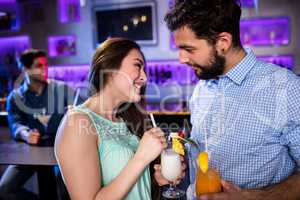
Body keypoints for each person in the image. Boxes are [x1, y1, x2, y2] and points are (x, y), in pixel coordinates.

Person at [165, 0, 300, 199]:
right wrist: (179, 163)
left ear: (223, 43)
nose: (181, 59)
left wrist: (251, 197)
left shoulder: (285, 88)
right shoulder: (202, 87)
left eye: (189, 49)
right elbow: (203, 153)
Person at [54, 38, 185, 200]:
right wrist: (142, 157)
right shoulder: (78, 123)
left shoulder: (124, 120)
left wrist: (157, 180)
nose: (144, 77)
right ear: (110, 67)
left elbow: (132, 186)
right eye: (138, 65)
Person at [0, 49, 81, 200]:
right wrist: (25, 134)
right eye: (39, 65)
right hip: (31, 152)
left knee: (65, 190)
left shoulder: (62, 89)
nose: (45, 69)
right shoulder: (15, 97)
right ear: (25, 69)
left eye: (46, 65)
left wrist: (76, 115)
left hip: (61, 150)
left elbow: (81, 109)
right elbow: (15, 124)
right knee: (4, 189)